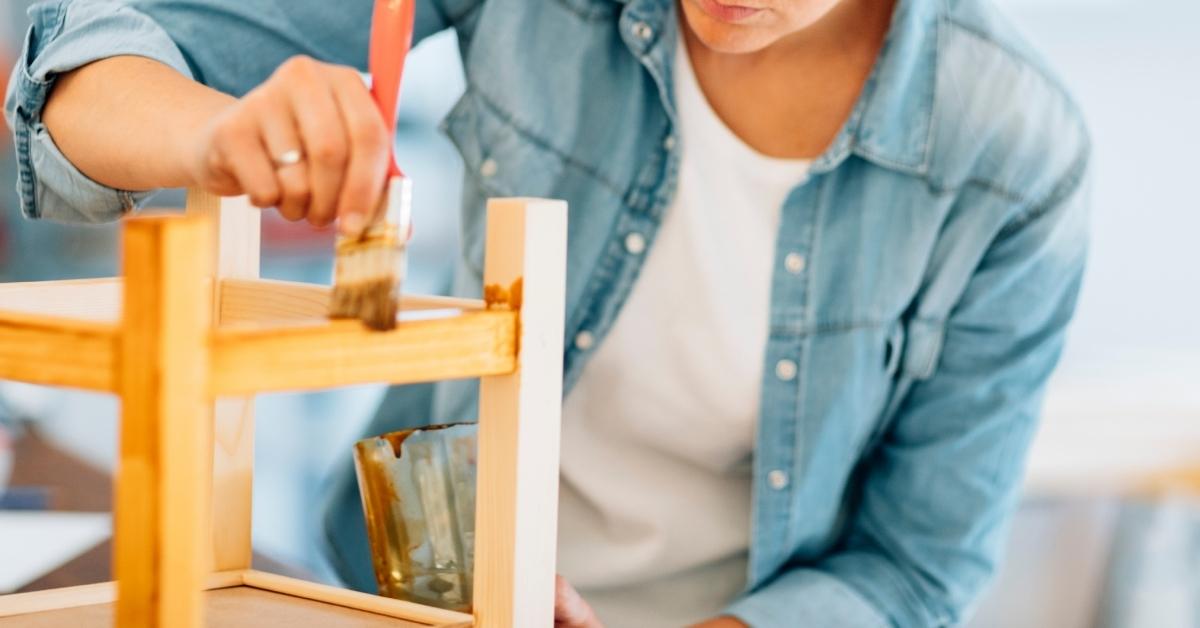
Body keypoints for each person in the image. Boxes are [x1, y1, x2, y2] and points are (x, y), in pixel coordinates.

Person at [5, 0, 1090, 625]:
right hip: (403, 592)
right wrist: (214, 132)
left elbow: (916, 570)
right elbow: (84, 67)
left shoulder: (1011, 152)